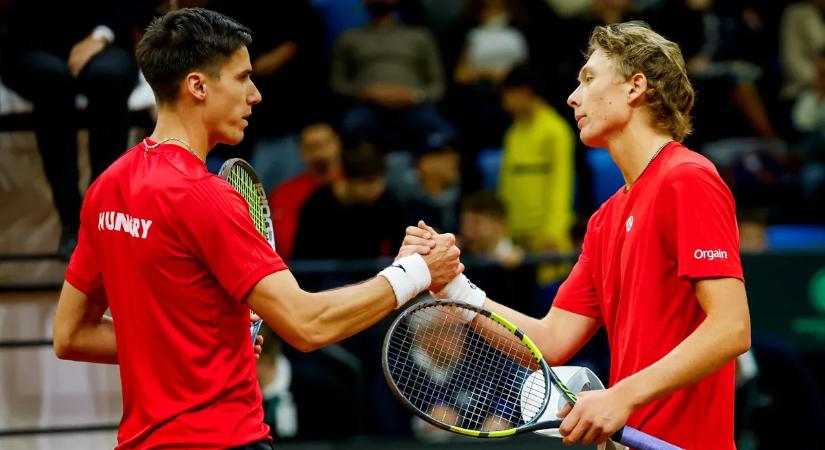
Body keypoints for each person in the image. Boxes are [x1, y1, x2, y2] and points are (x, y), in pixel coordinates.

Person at [51, 8, 462, 450]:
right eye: (243, 78)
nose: (256, 95)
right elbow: (308, 324)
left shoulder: (106, 188)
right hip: (223, 442)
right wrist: (415, 273)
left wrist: (204, 350)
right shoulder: (204, 196)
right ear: (198, 86)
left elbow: (71, 336)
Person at [403, 21, 751, 449]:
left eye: (589, 79)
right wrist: (453, 286)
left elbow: (731, 328)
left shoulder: (688, 178)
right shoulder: (604, 219)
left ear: (634, 87)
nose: (573, 97)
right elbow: (548, 342)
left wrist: (619, 396)